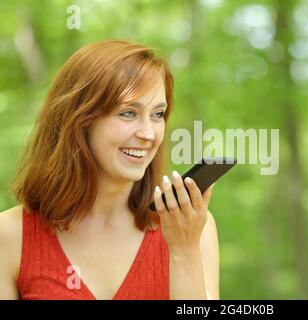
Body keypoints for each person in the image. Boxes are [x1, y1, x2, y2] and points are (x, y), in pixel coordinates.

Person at [0, 40, 220, 300]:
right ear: (80, 121)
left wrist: (183, 251)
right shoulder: (10, 235)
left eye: (158, 114)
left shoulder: (192, 229)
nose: (149, 134)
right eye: (128, 113)